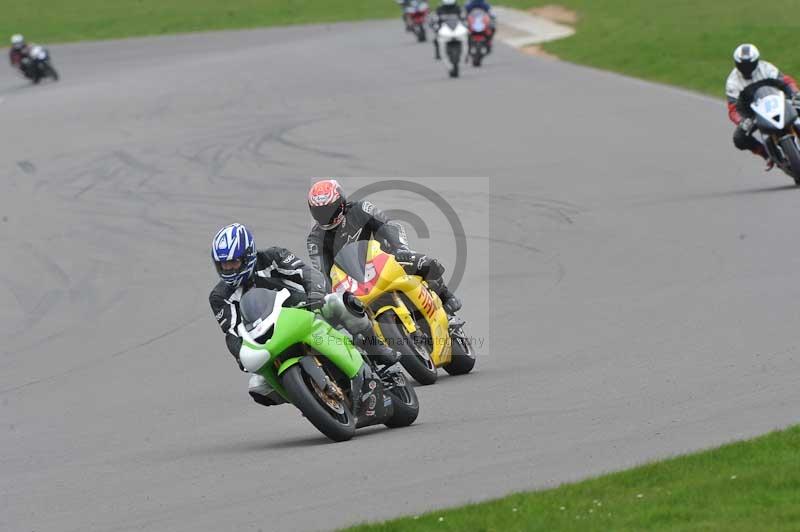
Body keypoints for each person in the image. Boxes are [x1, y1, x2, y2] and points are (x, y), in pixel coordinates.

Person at [209, 223, 399, 408]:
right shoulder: (219, 297)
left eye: (233, 262)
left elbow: (307, 273)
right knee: (257, 386)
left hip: (306, 309)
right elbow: (233, 332)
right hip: (269, 338)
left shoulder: (273, 257)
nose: (229, 269)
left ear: (248, 255)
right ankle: (310, 398)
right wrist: (241, 355)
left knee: (339, 302)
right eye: (224, 265)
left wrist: (315, 296)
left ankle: (376, 348)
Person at [305, 179, 463, 315]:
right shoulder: (315, 239)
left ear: (341, 203)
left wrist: (400, 249)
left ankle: (445, 295)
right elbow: (323, 272)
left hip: (384, 259)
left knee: (423, 263)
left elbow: (389, 226)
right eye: (320, 212)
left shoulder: (360, 209)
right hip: (354, 281)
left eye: (329, 210)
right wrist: (325, 296)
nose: (326, 216)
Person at [726, 43, 799, 169]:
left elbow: (786, 82)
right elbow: (733, 109)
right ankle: (766, 155)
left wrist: (795, 94)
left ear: (756, 61)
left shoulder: (766, 68)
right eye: (743, 65)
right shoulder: (733, 81)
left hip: (776, 102)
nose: (746, 68)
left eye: (749, 64)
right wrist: (742, 121)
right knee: (739, 138)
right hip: (753, 114)